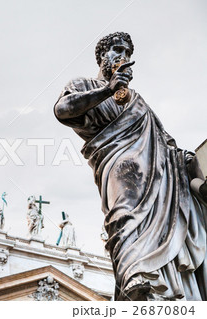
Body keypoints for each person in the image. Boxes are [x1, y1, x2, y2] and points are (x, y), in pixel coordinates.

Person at [54, 32, 206, 300]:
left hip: (156, 172)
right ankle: (134, 274)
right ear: (102, 55)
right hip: (118, 164)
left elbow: (164, 139)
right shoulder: (83, 84)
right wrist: (107, 90)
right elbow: (62, 109)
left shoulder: (136, 101)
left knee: (164, 219)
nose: (122, 56)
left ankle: (160, 277)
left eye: (127, 53)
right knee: (124, 214)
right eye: (116, 50)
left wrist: (187, 162)